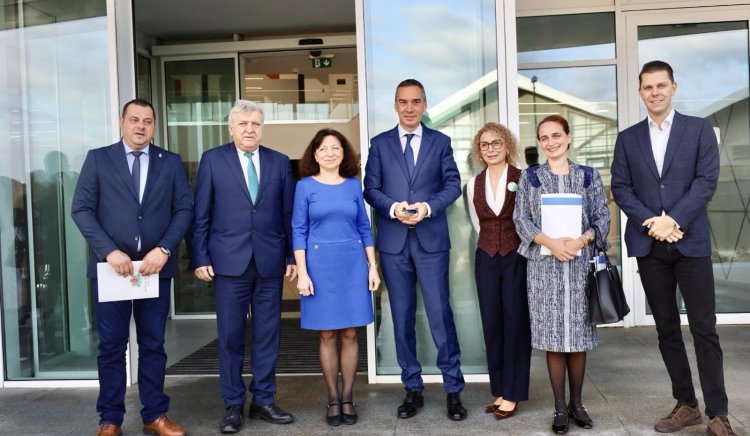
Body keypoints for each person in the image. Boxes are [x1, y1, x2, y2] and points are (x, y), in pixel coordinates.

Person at [610, 60, 737, 436]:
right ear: (640, 92)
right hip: (650, 246)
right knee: (666, 329)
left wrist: (673, 220)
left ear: (673, 87)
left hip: (690, 242)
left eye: (661, 85)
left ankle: (718, 414)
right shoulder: (628, 138)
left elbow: (706, 180)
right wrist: (653, 222)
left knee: (704, 328)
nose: (655, 92)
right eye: (648, 87)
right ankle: (686, 405)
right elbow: (621, 187)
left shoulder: (699, 130)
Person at [71, 98, 193, 436]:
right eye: (135, 119)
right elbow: (81, 209)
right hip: (112, 270)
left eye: (147, 121)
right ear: (122, 122)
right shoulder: (99, 159)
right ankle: (110, 419)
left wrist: (164, 249)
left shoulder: (170, 162)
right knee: (111, 346)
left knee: (153, 344)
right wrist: (108, 251)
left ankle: (155, 414)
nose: (141, 126)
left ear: (154, 126)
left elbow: (184, 209)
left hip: (154, 269)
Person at [363, 79, 466, 421]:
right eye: (403, 102)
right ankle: (412, 388)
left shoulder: (441, 142)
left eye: (416, 101)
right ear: (395, 105)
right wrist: (394, 208)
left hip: (431, 241)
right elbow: (370, 189)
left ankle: (453, 389)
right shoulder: (379, 144)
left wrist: (427, 207)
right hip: (394, 244)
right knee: (402, 316)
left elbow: (453, 184)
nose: (409, 108)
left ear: (424, 104)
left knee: (440, 315)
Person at [191, 99, 296, 433]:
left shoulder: (279, 162)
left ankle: (263, 400)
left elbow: (287, 214)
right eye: (243, 124)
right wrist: (200, 257)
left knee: (268, 335)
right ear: (231, 128)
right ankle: (233, 404)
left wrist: (291, 256)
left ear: (262, 128)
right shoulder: (212, 160)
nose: (250, 130)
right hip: (227, 263)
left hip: (269, 262)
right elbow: (201, 213)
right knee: (230, 337)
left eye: (255, 124)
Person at [513, 115, 610, 435]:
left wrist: (581, 241)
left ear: (568, 137)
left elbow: (602, 218)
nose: (551, 142)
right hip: (544, 268)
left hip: (580, 265)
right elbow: (521, 220)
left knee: (577, 338)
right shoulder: (531, 178)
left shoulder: (588, 176)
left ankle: (577, 404)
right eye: (544, 137)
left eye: (556, 135)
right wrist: (552, 243)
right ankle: (559, 407)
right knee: (553, 338)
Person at [292, 128, 380, 427]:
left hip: (352, 264)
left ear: (344, 154)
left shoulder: (354, 185)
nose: (330, 153)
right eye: (324, 149)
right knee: (327, 333)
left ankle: (348, 397)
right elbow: (298, 231)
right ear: (315, 155)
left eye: (336, 148)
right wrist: (302, 272)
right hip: (318, 267)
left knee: (351, 332)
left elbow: (364, 227)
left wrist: (372, 266)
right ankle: (332, 397)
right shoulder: (305, 187)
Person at [466, 122, 531, 420]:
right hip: (486, 258)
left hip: (516, 256)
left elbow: (529, 217)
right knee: (492, 323)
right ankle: (501, 390)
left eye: (496, 143)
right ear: (479, 151)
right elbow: (478, 223)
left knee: (515, 324)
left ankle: (514, 392)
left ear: (507, 146)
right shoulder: (473, 184)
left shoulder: (523, 178)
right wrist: (491, 243)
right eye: (485, 144)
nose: (490, 149)